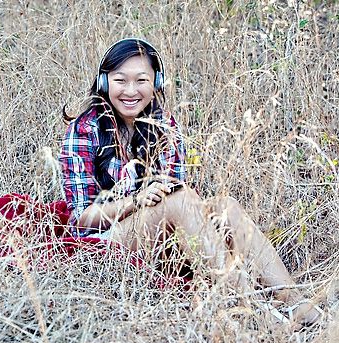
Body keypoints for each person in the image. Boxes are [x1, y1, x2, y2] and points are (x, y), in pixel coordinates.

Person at [59, 38, 322, 328]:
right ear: (104, 81)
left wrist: (171, 204)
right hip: (108, 243)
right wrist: (136, 201)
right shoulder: (84, 129)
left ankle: (299, 304)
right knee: (180, 200)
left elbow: (178, 195)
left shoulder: (163, 125)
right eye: (120, 80)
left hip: (161, 241)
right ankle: (256, 310)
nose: (130, 91)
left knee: (227, 206)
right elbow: (81, 221)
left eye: (141, 80)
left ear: (156, 82)